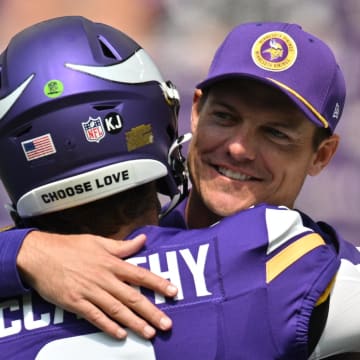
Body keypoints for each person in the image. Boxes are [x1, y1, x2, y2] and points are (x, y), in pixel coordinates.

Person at [0, 18, 359, 358]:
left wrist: (21, 252)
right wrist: (27, 252)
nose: (239, 148)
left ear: (322, 155)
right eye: (225, 117)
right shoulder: (297, 270)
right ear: (195, 111)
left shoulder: (21, 273)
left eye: (276, 133)